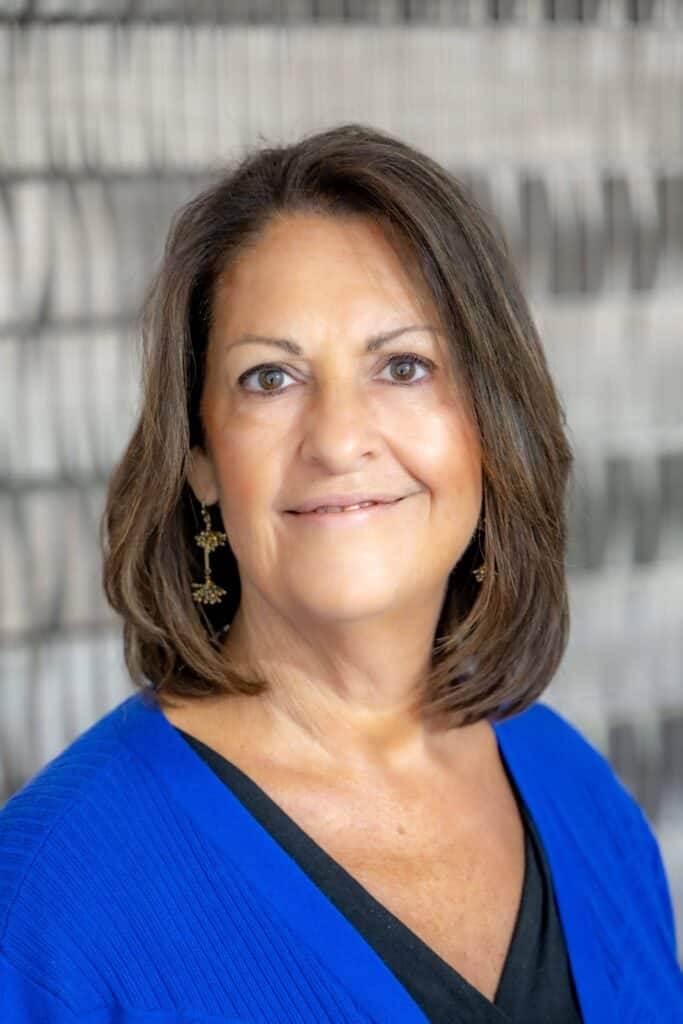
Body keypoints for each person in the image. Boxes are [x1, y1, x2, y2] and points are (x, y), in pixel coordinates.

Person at [0, 123, 680, 1024]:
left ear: (489, 423)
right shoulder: (54, 892)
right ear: (199, 455)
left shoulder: (578, 791)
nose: (336, 440)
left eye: (404, 367)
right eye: (269, 379)